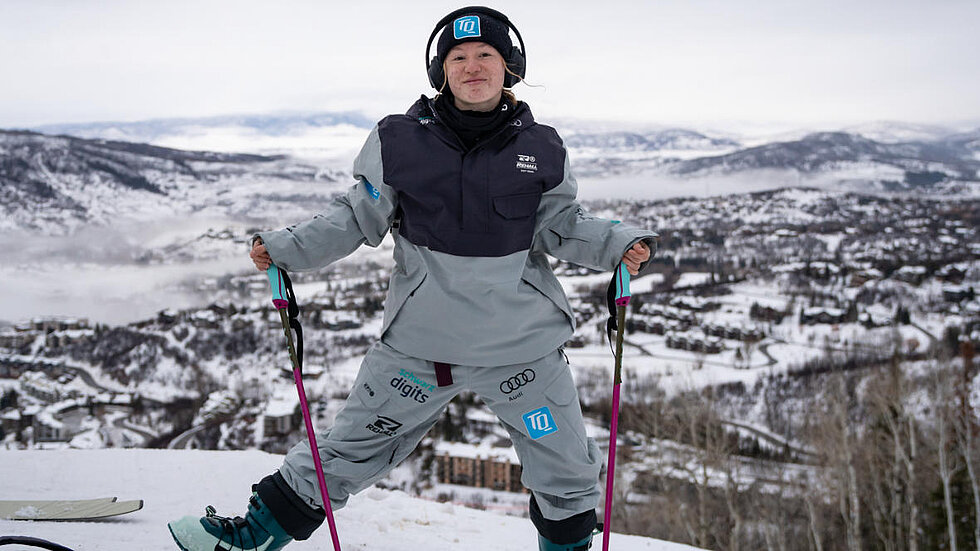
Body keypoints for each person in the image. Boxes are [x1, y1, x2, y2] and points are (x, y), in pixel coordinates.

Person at [168, 6, 655, 551]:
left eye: (485, 55)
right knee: (347, 447)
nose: (473, 66)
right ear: (441, 71)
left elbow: (562, 224)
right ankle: (252, 538)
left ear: (509, 65)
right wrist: (286, 248)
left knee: (566, 470)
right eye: (459, 57)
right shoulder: (399, 140)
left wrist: (618, 244)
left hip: (521, 346)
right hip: (423, 346)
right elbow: (356, 216)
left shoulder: (540, 146)